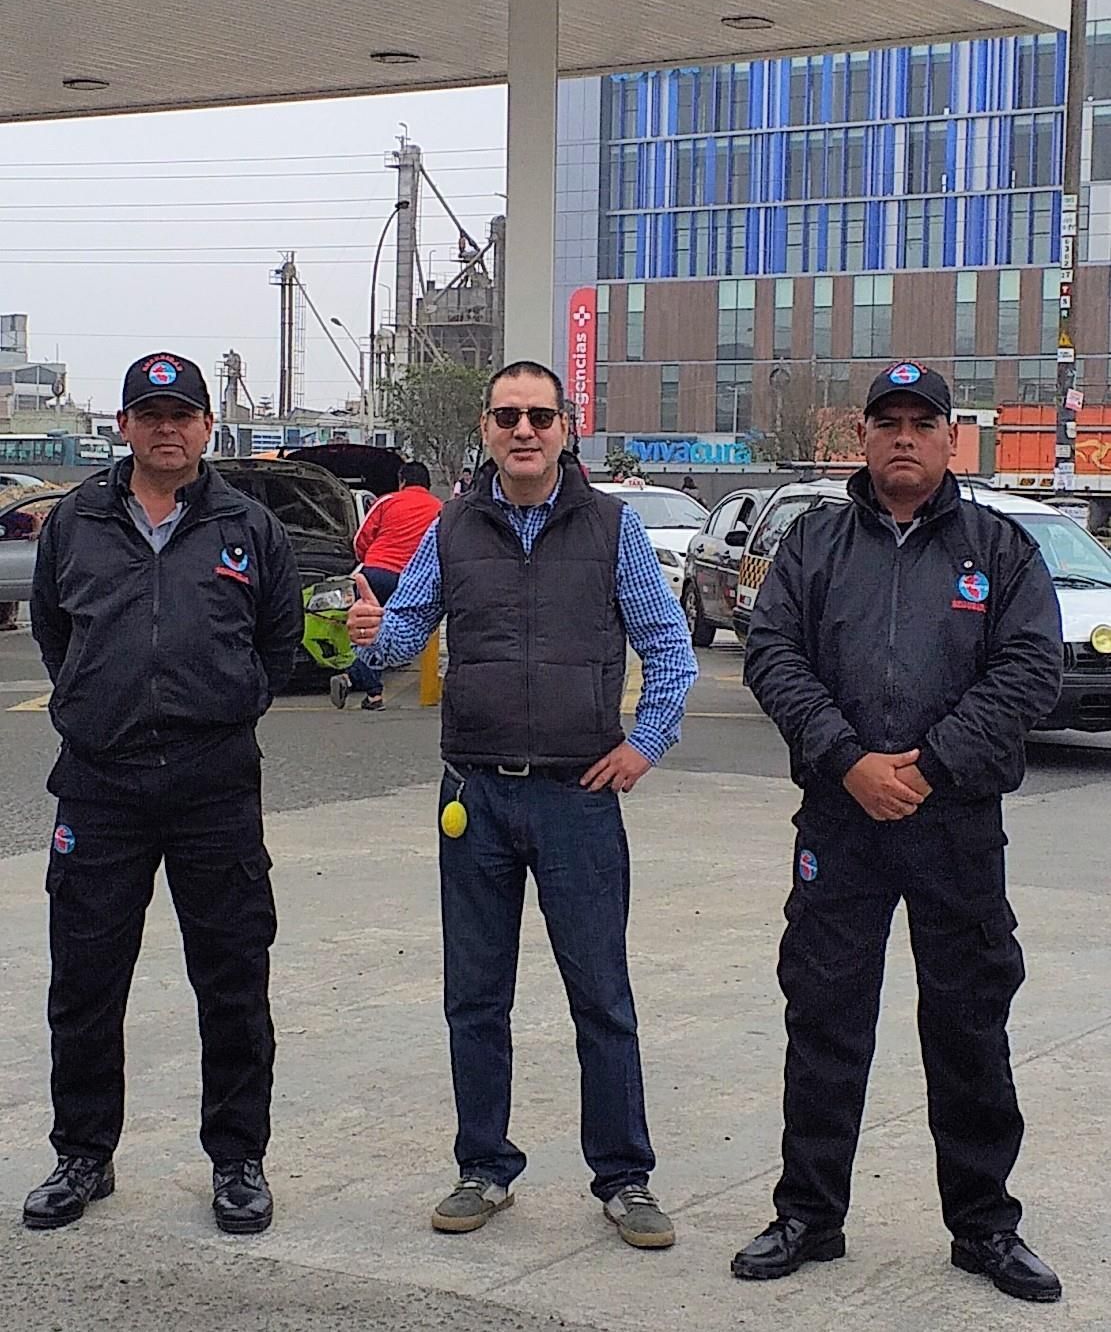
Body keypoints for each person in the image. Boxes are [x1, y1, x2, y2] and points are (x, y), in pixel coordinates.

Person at [346, 360, 697, 1249]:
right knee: (474, 996)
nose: (524, 429)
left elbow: (669, 647)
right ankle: (483, 1168)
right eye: (508, 416)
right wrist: (367, 637)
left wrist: (642, 745)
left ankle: (624, 1179)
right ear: (486, 427)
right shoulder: (452, 527)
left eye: (540, 415)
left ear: (566, 429)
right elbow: (403, 639)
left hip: (578, 800)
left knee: (600, 996)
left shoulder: (612, 528)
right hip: (475, 799)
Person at [732, 361, 1063, 1304]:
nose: (905, 437)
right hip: (840, 820)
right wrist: (848, 761)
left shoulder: (999, 550)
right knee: (824, 1015)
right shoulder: (813, 544)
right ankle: (808, 1213)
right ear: (863, 438)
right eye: (889, 422)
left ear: (950, 438)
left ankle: (984, 1226)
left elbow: (1028, 670)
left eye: (923, 421)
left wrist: (928, 765)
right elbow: (772, 654)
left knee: (967, 1021)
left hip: (953, 823)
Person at [25, 352, 302, 1237]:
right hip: (100, 784)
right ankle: (82, 1154)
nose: (167, 428)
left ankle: (237, 1161)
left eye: (183, 413)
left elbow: (279, 645)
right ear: (123, 427)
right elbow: (54, 632)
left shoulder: (248, 527)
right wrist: (96, 702)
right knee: (85, 979)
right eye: (150, 413)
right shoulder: (76, 521)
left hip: (212, 786)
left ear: (208, 429)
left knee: (231, 976)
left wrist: (220, 706)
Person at [330, 460, 442, 712]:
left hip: (376, 574)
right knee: (396, 632)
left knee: (367, 633)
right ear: (428, 483)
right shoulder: (440, 508)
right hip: (412, 582)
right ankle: (359, 684)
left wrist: (365, 560)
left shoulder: (387, 501)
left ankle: (370, 690)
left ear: (402, 481)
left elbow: (360, 539)